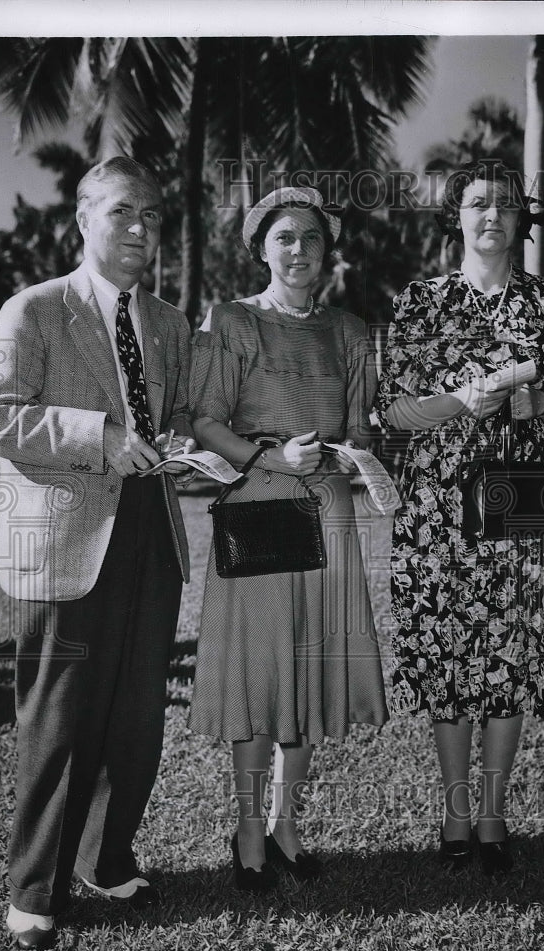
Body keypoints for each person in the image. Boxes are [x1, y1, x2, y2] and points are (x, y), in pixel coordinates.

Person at [0, 157, 196, 949]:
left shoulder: (168, 323)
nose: (142, 230)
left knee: (136, 718)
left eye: (155, 216)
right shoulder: (32, 311)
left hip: (151, 532)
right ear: (85, 222)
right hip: (64, 538)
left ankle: (107, 859)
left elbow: (182, 416)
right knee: (60, 718)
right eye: (124, 213)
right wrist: (98, 438)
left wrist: (188, 446)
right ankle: (35, 889)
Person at [377, 160, 544, 876]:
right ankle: (454, 812)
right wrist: (458, 403)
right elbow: (393, 413)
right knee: (449, 651)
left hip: (523, 492)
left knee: (512, 652)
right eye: (477, 203)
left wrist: (539, 403)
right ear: (457, 217)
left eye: (504, 205)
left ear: (520, 220)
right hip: (439, 503)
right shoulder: (421, 302)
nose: (491, 215)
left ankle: (494, 816)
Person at [187, 186, 388, 891]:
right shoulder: (232, 321)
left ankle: (285, 824)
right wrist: (274, 458)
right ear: (261, 248)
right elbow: (205, 422)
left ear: (327, 249)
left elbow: (361, 426)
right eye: (284, 238)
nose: (299, 250)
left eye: (310, 237)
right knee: (260, 675)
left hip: (329, 512)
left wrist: (350, 452)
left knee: (306, 673)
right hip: (260, 507)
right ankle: (246, 829)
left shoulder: (351, 331)